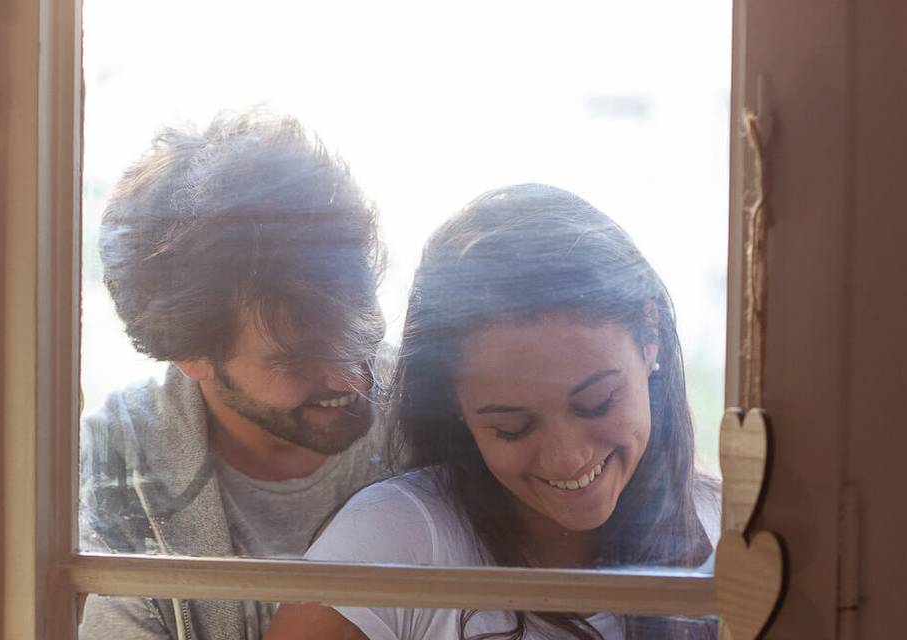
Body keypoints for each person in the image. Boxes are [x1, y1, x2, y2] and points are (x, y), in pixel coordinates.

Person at [265, 184, 721, 640]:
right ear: (456, 407)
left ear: (650, 336)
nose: (567, 458)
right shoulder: (391, 543)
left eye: (597, 403)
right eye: (512, 428)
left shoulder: (735, 531)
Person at [79, 112, 390, 640]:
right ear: (190, 356)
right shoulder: (115, 469)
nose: (351, 377)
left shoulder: (433, 406)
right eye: (296, 361)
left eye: (359, 330)